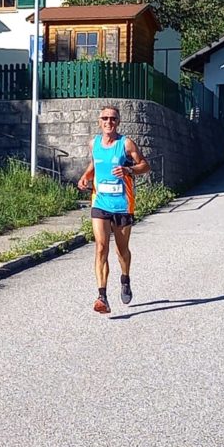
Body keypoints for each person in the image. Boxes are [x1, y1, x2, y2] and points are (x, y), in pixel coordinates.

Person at [77, 105, 150, 314]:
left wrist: (128, 169)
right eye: (105, 118)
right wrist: (85, 177)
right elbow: (95, 165)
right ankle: (102, 296)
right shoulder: (94, 144)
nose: (109, 122)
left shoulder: (125, 144)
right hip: (100, 202)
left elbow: (145, 166)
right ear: (99, 121)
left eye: (113, 118)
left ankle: (125, 278)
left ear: (118, 122)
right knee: (101, 247)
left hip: (122, 205)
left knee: (121, 250)